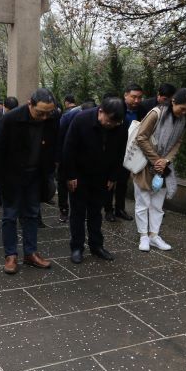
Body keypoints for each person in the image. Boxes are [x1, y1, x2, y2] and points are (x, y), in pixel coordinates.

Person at [0, 88, 58, 274]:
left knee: (32, 214)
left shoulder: (51, 118)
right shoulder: (11, 119)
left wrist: (50, 172)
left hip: (36, 175)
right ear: (30, 104)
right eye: (40, 113)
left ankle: (30, 253)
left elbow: (53, 145)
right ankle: (11, 255)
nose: (44, 117)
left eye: (48, 113)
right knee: (10, 215)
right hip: (12, 176)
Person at [62, 97, 126, 263]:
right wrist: (70, 175)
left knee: (96, 212)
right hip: (79, 175)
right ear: (101, 111)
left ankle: (97, 245)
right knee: (77, 212)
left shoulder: (120, 125)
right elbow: (69, 148)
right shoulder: (81, 120)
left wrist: (113, 176)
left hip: (102, 176)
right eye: (109, 121)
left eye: (115, 123)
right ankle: (77, 247)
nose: (111, 125)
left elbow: (120, 153)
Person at [133, 88, 186, 252]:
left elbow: (177, 143)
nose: (184, 113)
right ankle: (143, 236)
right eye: (182, 108)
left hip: (165, 167)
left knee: (157, 204)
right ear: (173, 101)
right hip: (144, 164)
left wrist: (166, 161)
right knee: (143, 202)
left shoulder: (183, 120)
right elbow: (141, 137)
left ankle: (154, 235)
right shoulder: (156, 113)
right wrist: (156, 160)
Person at [106, 83, 144, 222]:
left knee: (123, 181)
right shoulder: (117, 108)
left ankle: (120, 209)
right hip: (114, 150)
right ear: (126, 95)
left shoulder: (142, 110)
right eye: (134, 97)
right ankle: (108, 209)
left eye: (139, 97)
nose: (136, 100)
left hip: (130, 151)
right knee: (110, 181)